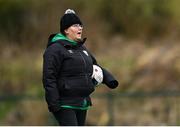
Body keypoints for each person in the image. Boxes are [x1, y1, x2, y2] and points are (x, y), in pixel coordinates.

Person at [42, 9, 119, 126]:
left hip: (82, 102)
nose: (80, 28)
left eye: (81, 25)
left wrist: (110, 80)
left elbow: (95, 66)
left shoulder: (82, 48)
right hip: (65, 103)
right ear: (66, 30)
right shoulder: (55, 49)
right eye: (76, 25)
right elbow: (49, 77)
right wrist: (54, 103)